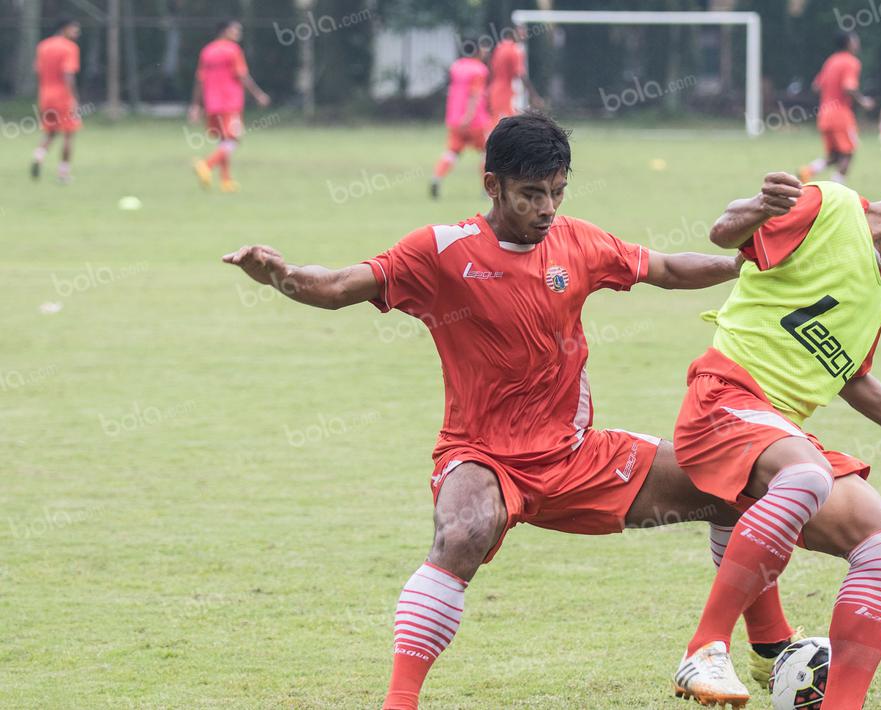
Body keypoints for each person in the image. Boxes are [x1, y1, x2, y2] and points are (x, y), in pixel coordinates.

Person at [223, 112, 756, 710]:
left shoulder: (577, 241)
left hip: (575, 454)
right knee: (462, 532)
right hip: (482, 456)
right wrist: (282, 277)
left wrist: (743, 263)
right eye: (532, 194)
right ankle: (399, 703)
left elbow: (666, 267)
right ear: (492, 185)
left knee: (731, 487)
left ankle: (763, 650)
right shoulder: (441, 250)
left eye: (557, 192)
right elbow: (340, 285)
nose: (547, 208)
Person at [670, 155, 881, 708]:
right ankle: (705, 646)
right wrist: (760, 206)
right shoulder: (828, 204)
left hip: (778, 438)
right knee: (805, 475)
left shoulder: (880, 291)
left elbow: (853, 379)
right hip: (722, 402)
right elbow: (724, 231)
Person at [190, 19, 270, 193]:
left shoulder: (207, 51)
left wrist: (196, 105)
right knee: (233, 140)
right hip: (230, 103)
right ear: (224, 31)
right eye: (235, 30)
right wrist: (258, 95)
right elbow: (242, 75)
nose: (238, 34)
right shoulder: (233, 50)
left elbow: (200, 79)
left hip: (212, 104)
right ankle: (206, 165)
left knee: (223, 141)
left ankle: (226, 181)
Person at [800, 32, 876, 185]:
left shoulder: (831, 61)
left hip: (825, 114)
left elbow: (816, 86)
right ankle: (837, 189)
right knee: (848, 154)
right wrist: (863, 102)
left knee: (834, 156)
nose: (857, 44)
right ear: (848, 44)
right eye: (855, 41)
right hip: (840, 115)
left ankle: (808, 171)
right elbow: (848, 87)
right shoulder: (851, 62)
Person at [431, 43, 492, 199]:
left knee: (451, 152)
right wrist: (469, 116)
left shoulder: (456, 66)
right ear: (477, 50)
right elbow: (475, 95)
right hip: (475, 121)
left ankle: (437, 177)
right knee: (487, 153)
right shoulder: (479, 69)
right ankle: (486, 189)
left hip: (455, 119)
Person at [31, 18, 82, 183]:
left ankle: (38, 156)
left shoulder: (43, 46)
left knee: (50, 132)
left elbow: (37, 70)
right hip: (63, 97)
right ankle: (63, 173)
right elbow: (68, 74)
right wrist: (74, 97)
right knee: (68, 134)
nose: (77, 33)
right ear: (64, 28)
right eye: (74, 29)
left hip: (45, 96)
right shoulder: (70, 48)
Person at [488, 25, 540, 122]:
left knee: (495, 122)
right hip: (507, 92)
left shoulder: (500, 47)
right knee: (511, 124)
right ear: (514, 33)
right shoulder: (516, 50)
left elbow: (491, 68)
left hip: (495, 89)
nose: (524, 35)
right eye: (521, 33)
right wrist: (533, 95)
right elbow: (521, 74)